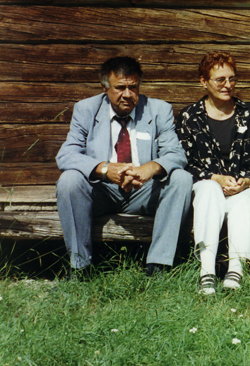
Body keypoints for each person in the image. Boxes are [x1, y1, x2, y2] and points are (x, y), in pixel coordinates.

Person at [55, 56, 192, 277]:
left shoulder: (159, 110)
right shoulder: (86, 109)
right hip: (102, 191)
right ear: (105, 88)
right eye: (120, 88)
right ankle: (80, 267)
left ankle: (158, 265)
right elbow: (66, 155)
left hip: (142, 190)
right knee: (69, 180)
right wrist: (104, 169)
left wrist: (148, 169)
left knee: (181, 179)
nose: (128, 94)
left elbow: (176, 153)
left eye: (133, 87)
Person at [176, 52, 250, 295]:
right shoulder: (190, 117)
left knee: (243, 201)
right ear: (204, 81)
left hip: (240, 187)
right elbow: (184, 162)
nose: (227, 85)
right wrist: (215, 178)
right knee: (209, 190)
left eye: (232, 79)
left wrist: (246, 181)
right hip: (206, 186)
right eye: (220, 80)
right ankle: (207, 270)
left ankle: (236, 269)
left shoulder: (248, 113)